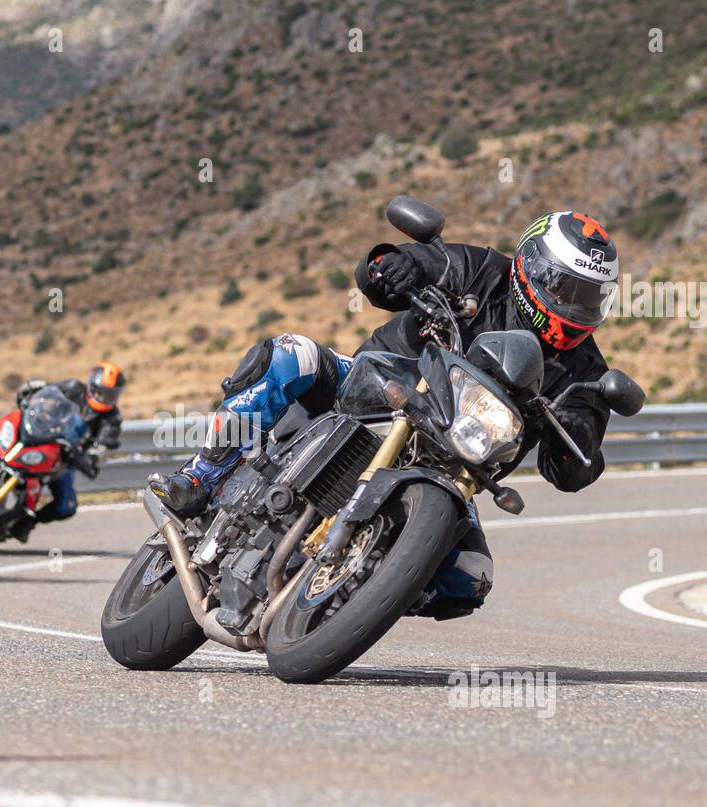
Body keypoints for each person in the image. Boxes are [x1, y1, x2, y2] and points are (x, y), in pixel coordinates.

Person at [149, 210, 620, 619]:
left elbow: (574, 458)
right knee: (292, 355)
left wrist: (580, 447)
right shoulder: (478, 270)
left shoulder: (587, 371)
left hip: (453, 464)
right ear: (532, 268)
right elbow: (402, 267)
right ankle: (202, 476)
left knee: (470, 578)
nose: (575, 305)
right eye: (567, 288)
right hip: (380, 384)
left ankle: (363, 586)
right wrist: (390, 266)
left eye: (589, 296)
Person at [7, 362, 126, 526]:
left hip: (65, 460)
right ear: (91, 385)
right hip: (43, 435)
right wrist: (33, 387)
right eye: (100, 391)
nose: (103, 397)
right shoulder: (73, 387)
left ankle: (27, 522)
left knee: (66, 506)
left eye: (109, 395)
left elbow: (105, 443)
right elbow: (47, 392)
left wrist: (92, 456)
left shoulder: (112, 418)